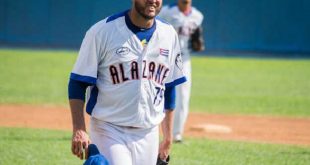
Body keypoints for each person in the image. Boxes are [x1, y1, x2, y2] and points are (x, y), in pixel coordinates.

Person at [68, 0, 186, 165]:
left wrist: (167, 137)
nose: (153, 0)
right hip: (109, 128)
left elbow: (169, 86)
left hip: (149, 132)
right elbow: (77, 82)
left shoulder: (168, 34)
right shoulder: (102, 31)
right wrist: (79, 129)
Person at [158, 0, 204, 142]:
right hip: (161, 57)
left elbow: (196, 36)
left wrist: (198, 40)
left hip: (183, 59)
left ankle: (177, 134)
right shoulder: (166, 11)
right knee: (155, 91)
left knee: (183, 97)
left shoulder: (198, 16)